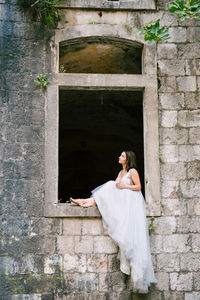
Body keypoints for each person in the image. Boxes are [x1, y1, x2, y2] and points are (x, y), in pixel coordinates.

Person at [70, 150, 157, 293]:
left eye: (122, 156)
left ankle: (88, 201)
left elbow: (139, 187)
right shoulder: (120, 172)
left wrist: (123, 186)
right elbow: (116, 186)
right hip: (122, 201)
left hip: (130, 202)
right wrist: (118, 186)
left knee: (110, 184)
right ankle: (88, 201)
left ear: (127, 159)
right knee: (110, 185)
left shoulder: (133, 171)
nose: (119, 157)